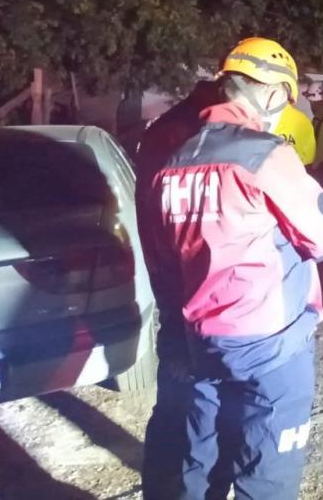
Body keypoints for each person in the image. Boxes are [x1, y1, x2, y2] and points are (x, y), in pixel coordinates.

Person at [139, 37, 323, 500]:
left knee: (198, 452)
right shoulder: (265, 153)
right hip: (273, 343)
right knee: (267, 465)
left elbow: (166, 250)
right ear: (273, 95)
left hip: (200, 338)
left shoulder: (171, 160)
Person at [134, 79, 221, 499]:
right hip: (190, 295)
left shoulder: (170, 128)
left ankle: (163, 486)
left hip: (176, 291)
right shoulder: (194, 136)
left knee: (174, 408)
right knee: (188, 412)